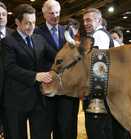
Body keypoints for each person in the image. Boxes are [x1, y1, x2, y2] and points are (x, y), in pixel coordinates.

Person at [2, 4, 55, 139]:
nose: (31, 26)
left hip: (39, 98)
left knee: (42, 134)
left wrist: (72, 50)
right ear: (17, 22)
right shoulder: (8, 42)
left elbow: (55, 56)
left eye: (33, 22)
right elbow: (10, 67)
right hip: (16, 99)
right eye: (27, 23)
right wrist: (35, 76)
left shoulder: (39, 39)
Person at [35, 0, 79, 139]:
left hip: (66, 89)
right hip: (48, 86)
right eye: (51, 13)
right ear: (44, 14)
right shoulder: (36, 32)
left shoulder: (68, 31)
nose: (55, 16)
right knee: (47, 125)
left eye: (57, 13)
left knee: (65, 127)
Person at [83, 8, 114, 139]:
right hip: (103, 95)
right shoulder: (100, 35)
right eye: (84, 20)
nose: (85, 23)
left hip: (98, 97)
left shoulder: (98, 36)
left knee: (97, 131)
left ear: (99, 20)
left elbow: (98, 67)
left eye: (89, 20)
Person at [0, 1, 13, 135]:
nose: (1, 17)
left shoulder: (15, 35)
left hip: (11, 92)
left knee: (11, 129)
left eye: (4, 14)